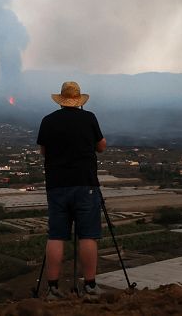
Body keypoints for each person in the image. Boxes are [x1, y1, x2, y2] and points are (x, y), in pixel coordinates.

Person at [37, 81, 107, 300]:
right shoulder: (89, 118)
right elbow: (101, 146)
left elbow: (43, 151)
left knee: (56, 236)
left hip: (57, 185)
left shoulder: (48, 121)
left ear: (60, 99)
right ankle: (90, 286)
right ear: (78, 101)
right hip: (85, 183)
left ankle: (52, 288)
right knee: (88, 235)